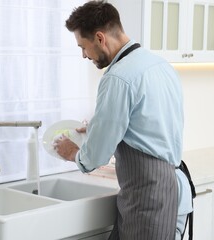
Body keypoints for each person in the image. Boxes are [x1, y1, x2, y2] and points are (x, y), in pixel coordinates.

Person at [53, 1, 194, 239]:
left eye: (83, 47)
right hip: (168, 187)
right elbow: (148, 123)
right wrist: (96, 127)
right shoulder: (159, 65)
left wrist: (73, 152)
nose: (83, 56)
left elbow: (95, 157)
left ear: (100, 38)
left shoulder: (117, 77)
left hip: (147, 196)